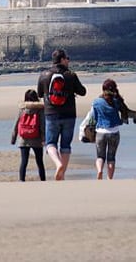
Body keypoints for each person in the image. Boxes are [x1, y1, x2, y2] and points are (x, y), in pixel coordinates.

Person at [37, 48, 86, 180]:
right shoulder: (71, 75)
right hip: (69, 114)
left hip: (51, 113)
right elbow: (82, 92)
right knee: (65, 145)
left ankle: (58, 164)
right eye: (67, 58)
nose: (68, 61)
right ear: (62, 59)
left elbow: (40, 94)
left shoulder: (44, 75)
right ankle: (62, 172)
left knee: (50, 143)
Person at [91, 78, 128, 180]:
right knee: (111, 157)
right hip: (114, 131)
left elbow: (94, 117)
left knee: (100, 156)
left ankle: (99, 171)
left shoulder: (97, 102)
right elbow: (124, 113)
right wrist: (120, 121)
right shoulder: (117, 101)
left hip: (100, 132)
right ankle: (110, 178)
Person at [10, 89, 46, 182]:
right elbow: (42, 125)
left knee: (24, 161)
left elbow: (16, 124)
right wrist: (44, 139)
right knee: (40, 162)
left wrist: (13, 139)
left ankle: (22, 180)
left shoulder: (22, 109)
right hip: (36, 138)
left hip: (23, 138)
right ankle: (43, 180)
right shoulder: (40, 109)